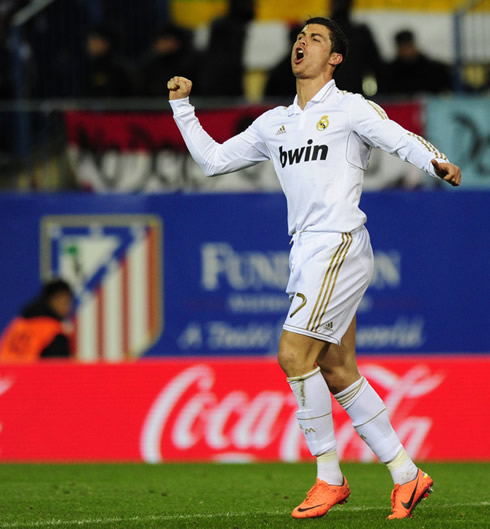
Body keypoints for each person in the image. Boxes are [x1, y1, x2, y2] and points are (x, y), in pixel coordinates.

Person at [167, 16, 461, 520]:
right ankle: (407, 476)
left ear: (336, 58)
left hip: (339, 243)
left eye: (317, 37)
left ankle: (329, 477)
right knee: (337, 367)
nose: (303, 42)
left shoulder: (349, 108)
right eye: (300, 36)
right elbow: (213, 161)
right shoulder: (274, 123)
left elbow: (396, 136)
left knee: (292, 353)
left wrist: (435, 159)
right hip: (305, 250)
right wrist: (181, 108)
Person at [0, 279, 74, 362]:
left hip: (4, 373)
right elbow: (60, 369)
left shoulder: (18, 323)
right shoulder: (53, 332)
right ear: (53, 300)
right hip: (30, 373)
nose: (68, 308)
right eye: (65, 302)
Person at [380, 29, 452, 96]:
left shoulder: (434, 69)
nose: (407, 52)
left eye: (408, 46)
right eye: (403, 48)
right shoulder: (389, 72)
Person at [138, 24, 201, 97]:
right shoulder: (149, 64)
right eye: (158, 40)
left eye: (165, 40)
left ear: (177, 42)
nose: (160, 44)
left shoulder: (192, 63)